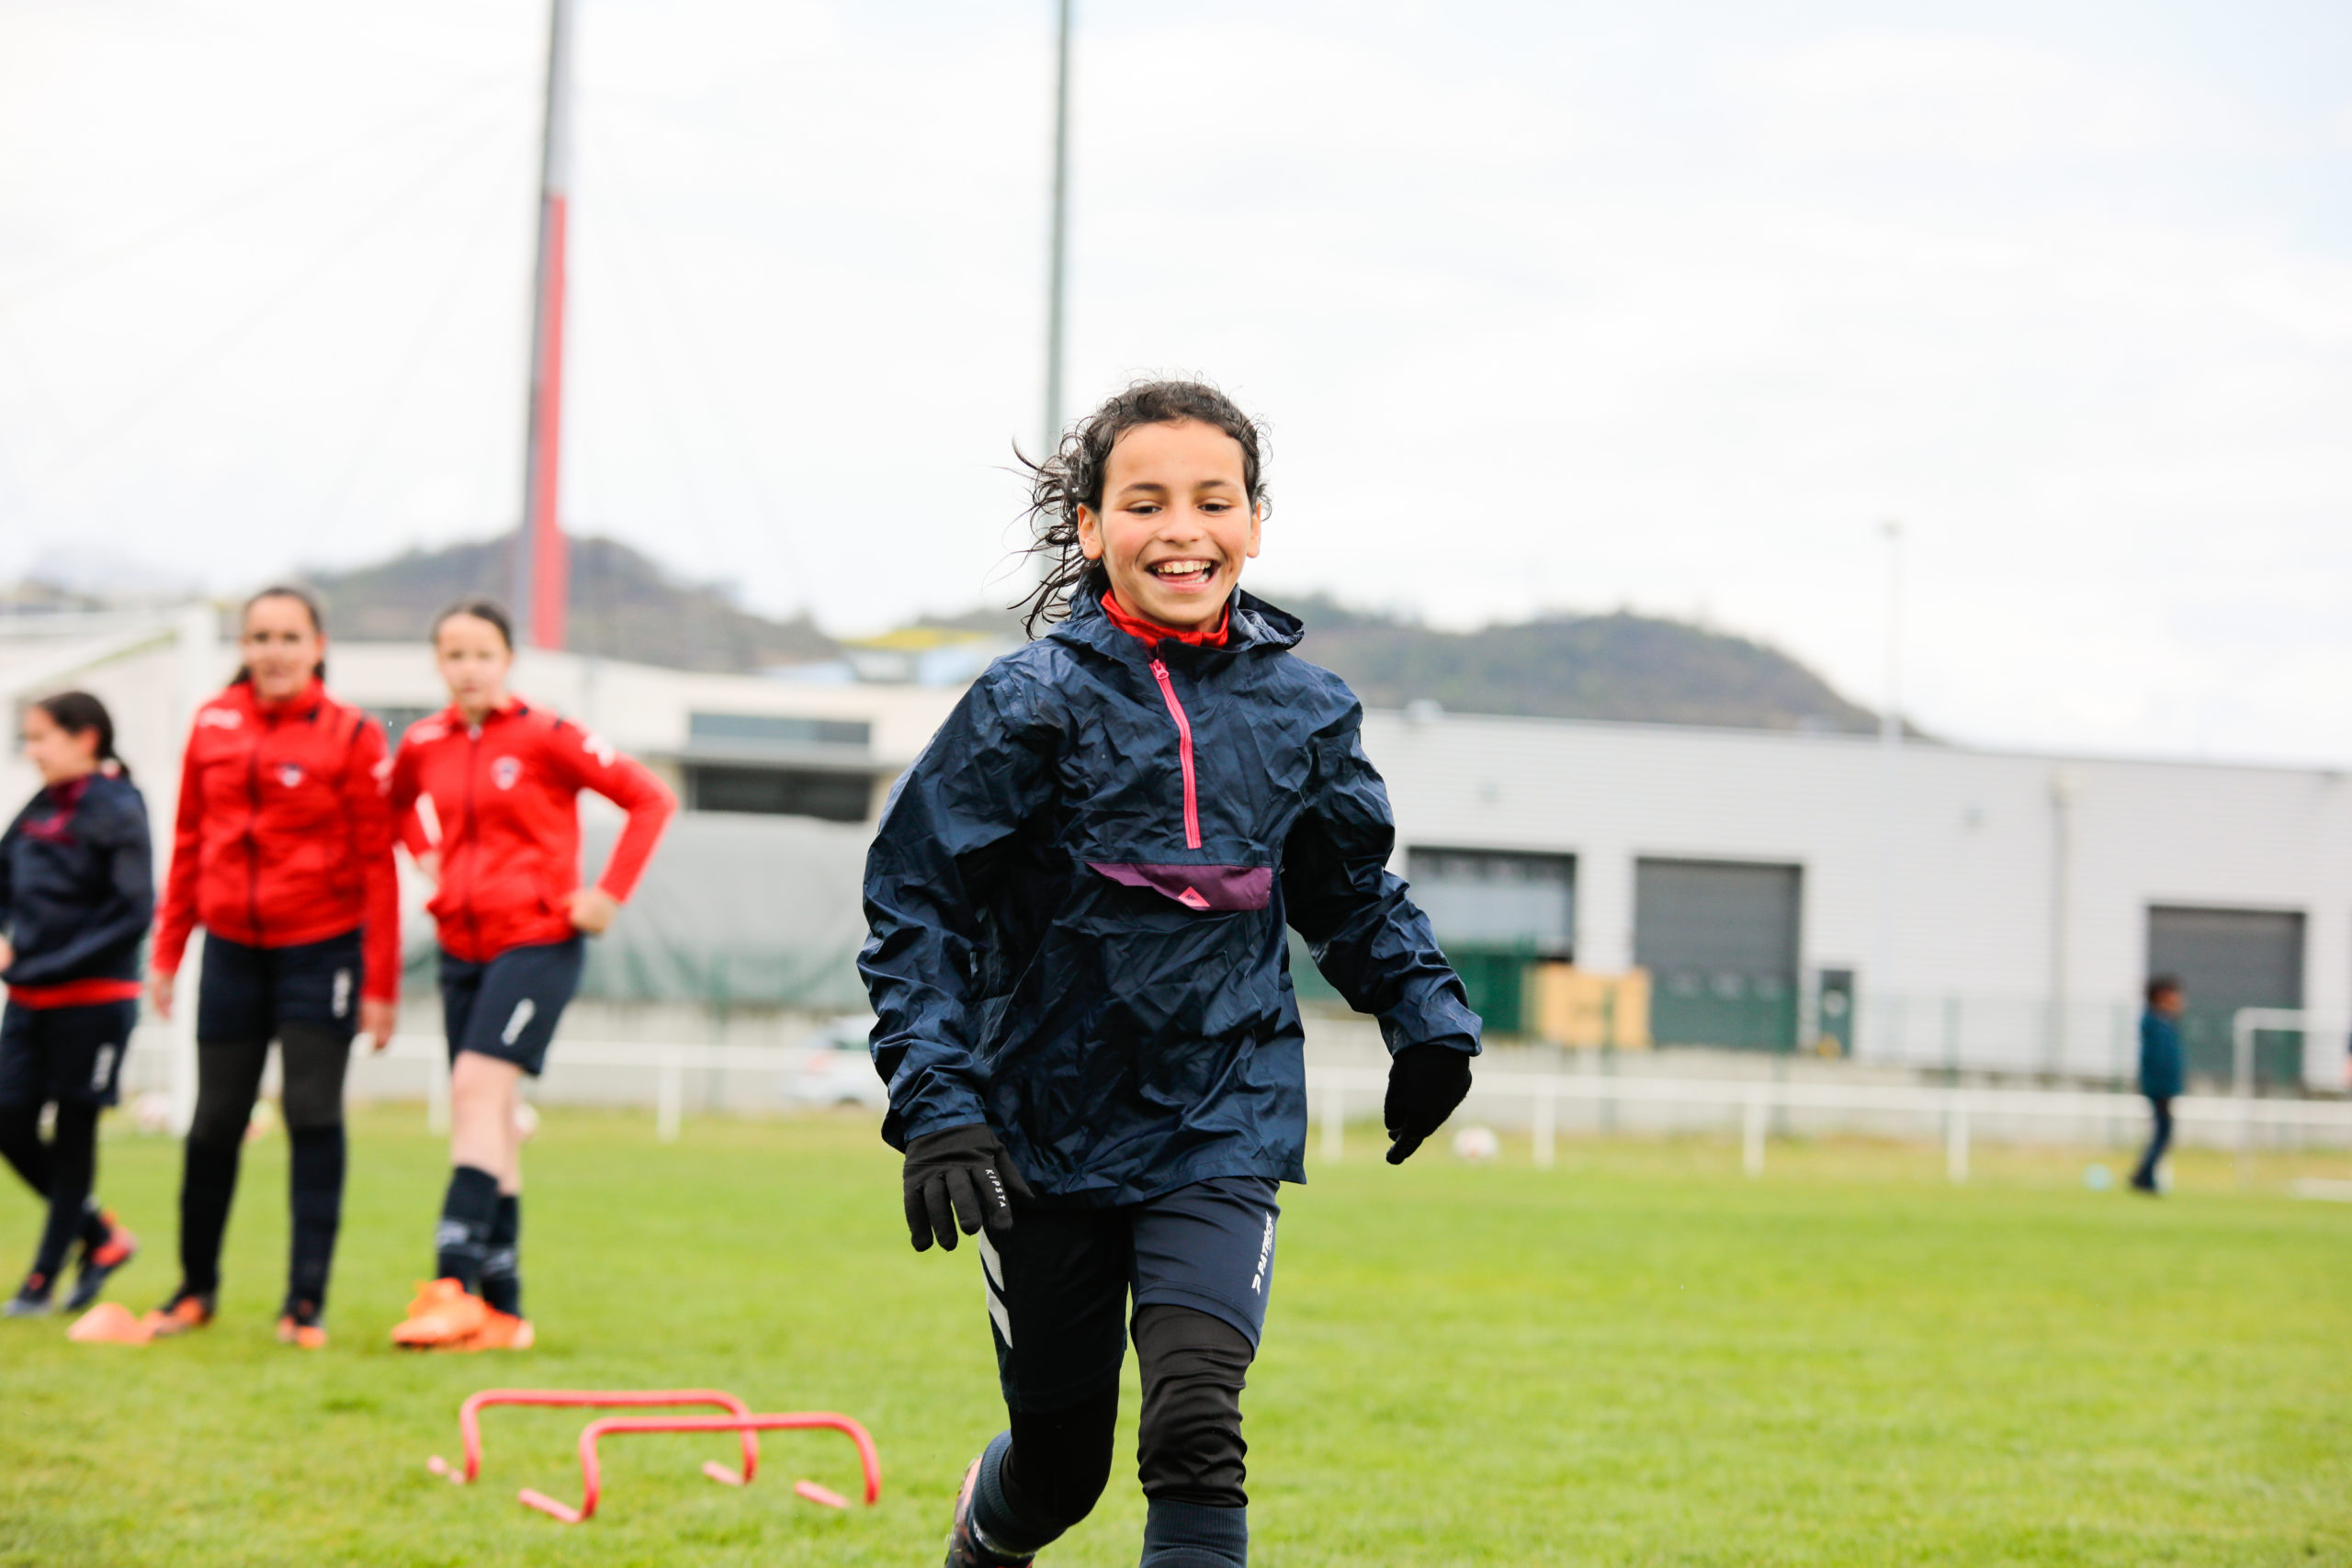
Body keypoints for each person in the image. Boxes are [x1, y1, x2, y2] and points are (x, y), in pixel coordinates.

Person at [861, 380, 1481, 1568]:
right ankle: (985, 1534)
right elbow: (917, 901)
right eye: (1145, 502)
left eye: (1214, 499)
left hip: (1220, 1111)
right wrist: (940, 1106)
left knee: (1195, 1420)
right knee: (1060, 1465)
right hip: (1040, 1127)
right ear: (1092, 527)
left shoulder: (1306, 707)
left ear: (1254, 521)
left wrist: (1427, 1014)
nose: (1182, 527)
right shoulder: (1023, 701)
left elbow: (1346, 890)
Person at [385, 598, 674, 1351]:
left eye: (482, 652)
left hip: (539, 941)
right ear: (438, 663)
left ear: (507, 659)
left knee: (477, 1093)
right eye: (453, 654)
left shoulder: (546, 734)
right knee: (490, 1115)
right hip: (461, 946)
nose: (468, 667)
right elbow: (391, 808)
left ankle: (449, 1283)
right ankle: (504, 1312)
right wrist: (425, 857)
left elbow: (650, 796)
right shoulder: (422, 742)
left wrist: (607, 894)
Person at [148, 586, 400, 1348]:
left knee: (312, 1115)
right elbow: (190, 838)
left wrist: (380, 983)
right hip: (229, 951)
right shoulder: (212, 722)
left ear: (318, 644)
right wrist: (169, 950)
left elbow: (378, 866)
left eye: (290, 636)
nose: (274, 650)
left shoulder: (352, 734)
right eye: (260, 636)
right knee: (215, 1121)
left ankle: (304, 1303)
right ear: (244, 645)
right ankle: (194, 1289)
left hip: (320, 949)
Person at [0, 693, 150, 1317]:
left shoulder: (118, 806)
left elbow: (133, 910)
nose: (32, 751)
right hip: (29, 1000)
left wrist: (50, 963)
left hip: (95, 1000)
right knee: (8, 1120)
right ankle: (100, 1237)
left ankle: (41, 1279)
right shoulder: (38, 808)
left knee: (75, 1129)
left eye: (42, 738)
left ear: (85, 737)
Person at [2133, 975, 2186, 1194]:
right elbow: (2159, 1061)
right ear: (2163, 996)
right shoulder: (2157, 1024)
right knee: (2163, 1133)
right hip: (2159, 1089)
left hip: (2161, 1088)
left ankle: (2144, 1176)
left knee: (2162, 1133)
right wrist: (2164, 1089)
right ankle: (2143, 1177)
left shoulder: (2162, 1023)